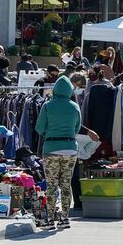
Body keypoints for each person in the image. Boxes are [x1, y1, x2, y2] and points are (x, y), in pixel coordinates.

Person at [34, 75, 82, 227]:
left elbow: (39, 128)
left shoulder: (47, 105)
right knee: (66, 184)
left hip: (51, 149)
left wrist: (50, 131)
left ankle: (49, 219)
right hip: (70, 149)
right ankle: (65, 218)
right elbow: (77, 128)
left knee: (52, 185)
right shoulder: (75, 106)